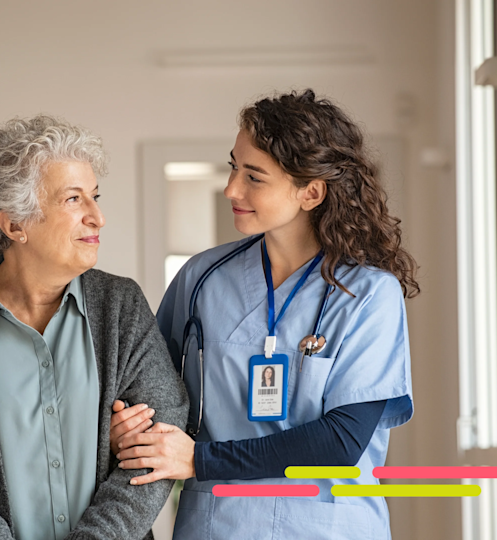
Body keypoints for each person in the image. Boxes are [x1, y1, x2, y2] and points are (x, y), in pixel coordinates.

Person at [110, 90, 416, 539]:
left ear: (310, 192)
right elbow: (149, 393)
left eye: (254, 176)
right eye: (234, 166)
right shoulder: (201, 278)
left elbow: (342, 441)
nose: (231, 188)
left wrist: (200, 459)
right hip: (216, 526)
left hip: (325, 527)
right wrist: (129, 429)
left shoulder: (368, 295)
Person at [0, 114, 189, 540]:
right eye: (73, 199)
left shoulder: (120, 306)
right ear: (14, 224)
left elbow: (159, 442)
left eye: (95, 196)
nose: (97, 217)